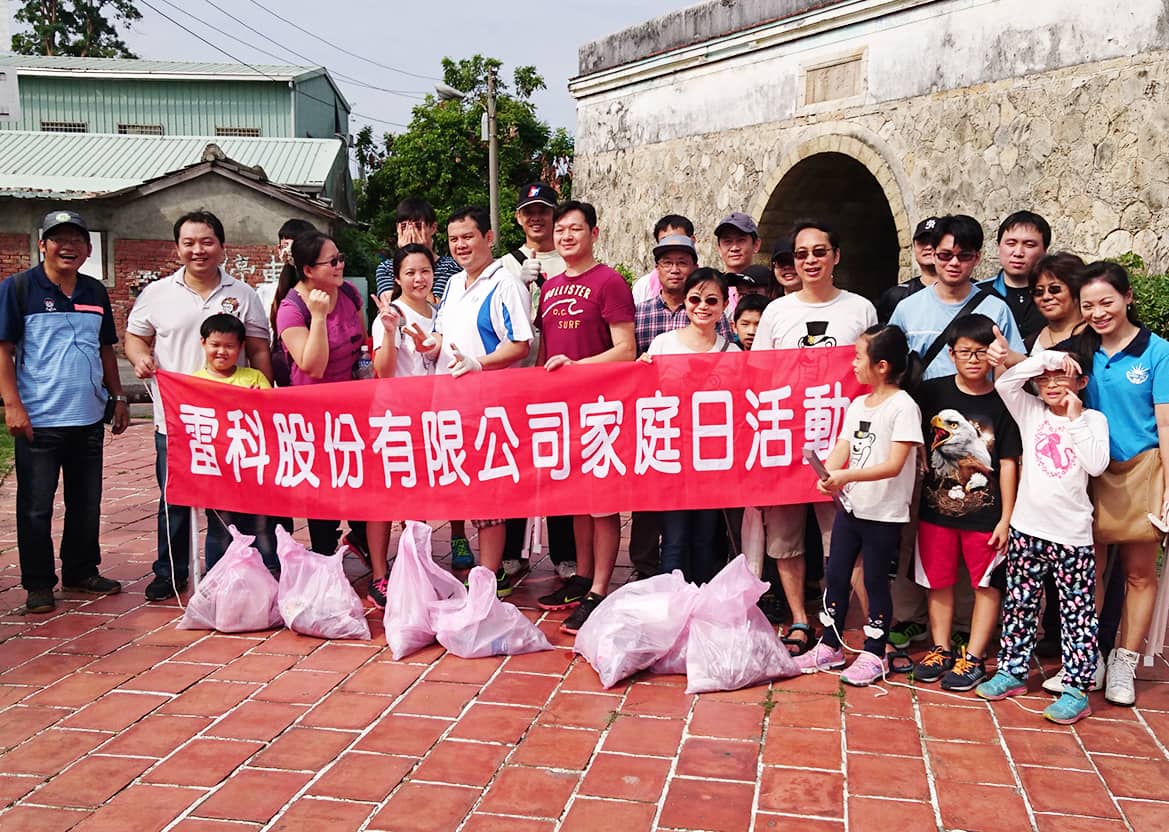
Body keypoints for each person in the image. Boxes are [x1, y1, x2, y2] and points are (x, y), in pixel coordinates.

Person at [125, 210, 272, 602]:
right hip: (175, 420)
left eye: (206, 242)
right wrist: (140, 358)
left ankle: (227, 572)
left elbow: (258, 349)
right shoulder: (157, 294)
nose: (198, 250)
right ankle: (169, 572)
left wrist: (266, 400)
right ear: (177, 248)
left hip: (231, 424)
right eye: (189, 243)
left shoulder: (244, 294)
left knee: (229, 502)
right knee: (175, 497)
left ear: (222, 247)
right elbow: (135, 339)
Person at [751, 220, 878, 655]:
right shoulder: (777, 312)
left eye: (819, 252)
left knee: (842, 538)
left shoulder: (860, 309)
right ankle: (799, 619)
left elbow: (870, 377)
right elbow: (756, 375)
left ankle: (836, 616)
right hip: (784, 439)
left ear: (835, 256)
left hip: (841, 444)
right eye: (801, 254)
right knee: (784, 539)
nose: (810, 261)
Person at [0, 210, 128, 613]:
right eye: (58, 239)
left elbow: (106, 347)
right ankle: (38, 584)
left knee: (86, 502)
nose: (67, 246)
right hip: (39, 420)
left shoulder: (94, 292)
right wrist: (13, 405)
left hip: (88, 417)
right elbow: (3, 350)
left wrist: (118, 396)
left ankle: (81, 570)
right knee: (36, 507)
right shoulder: (19, 288)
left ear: (89, 250)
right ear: (43, 245)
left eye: (77, 239)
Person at [976, 349, 1109, 724]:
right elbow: (1005, 381)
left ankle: (1077, 689)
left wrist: (1075, 418)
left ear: (1082, 382)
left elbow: (1097, 465)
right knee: (1019, 605)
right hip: (1026, 528)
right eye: (1046, 378)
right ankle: (1013, 671)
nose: (1052, 384)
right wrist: (1050, 358)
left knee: (1077, 614)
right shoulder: (1030, 411)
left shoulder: (1093, 420)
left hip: (1071, 535)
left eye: (1062, 376)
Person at [1057, 262, 1169, 707]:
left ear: (1128, 298)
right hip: (1091, 472)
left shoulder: (1157, 351)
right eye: (1088, 306)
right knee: (1089, 569)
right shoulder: (1080, 348)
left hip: (1143, 469)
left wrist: (1168, 489)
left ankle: (1125, 660)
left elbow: (1165, 422)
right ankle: (1091, 658)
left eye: (1107, 302)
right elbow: (1036, 371)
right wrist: (1006, 355)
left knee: (1140, 572)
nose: (1098, 312)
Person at [793, 324, 924, 685]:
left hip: (883, 513)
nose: (852, 364)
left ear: (881, 365)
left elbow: (895, 464)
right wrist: (828, 470)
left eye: (857, 357)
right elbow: (844, 446)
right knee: (835, 575)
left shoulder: (903, 407)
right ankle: (830, 644)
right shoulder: (858, 404)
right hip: (851, 508)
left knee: (875, 579)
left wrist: (845, 476)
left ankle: (875, 652)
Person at [424, 206, 534, 597]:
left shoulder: (506, 284)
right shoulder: (452, 284)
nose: (460, 245)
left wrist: (479, 364)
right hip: (450, 406)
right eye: (453, 239)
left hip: (489, 408)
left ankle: (490, 576)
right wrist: (428, 343)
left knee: (489, 493)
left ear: (488, 238)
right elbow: (442, 336)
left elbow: (521, 344)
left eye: (468, 237)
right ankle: (484, 572)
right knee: (463, 490)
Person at [537, 200, 636, 633]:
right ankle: (579, 577)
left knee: (602, 502)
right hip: (562, 408)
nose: (566, 236)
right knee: (576, 497)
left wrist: (578, 370)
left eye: (575, 229)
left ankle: (598, 588)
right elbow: (545, 354)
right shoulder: (549, 286)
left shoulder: (610, 282)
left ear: (594, 233)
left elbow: (626, 350)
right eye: (560, 230)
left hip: (601, 406)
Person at [911, 314, 1021, 691]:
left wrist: (1007, 516)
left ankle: (973, 656)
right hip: (935, 511)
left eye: (981, 352)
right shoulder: (932, 393)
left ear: (994, 354)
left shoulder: (1005, 399)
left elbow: (1007, 463)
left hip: (985, 516)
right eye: (964, 352)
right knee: (938, 581)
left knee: (986, 585)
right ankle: (940, 648)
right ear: (951, 354)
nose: (973, 360)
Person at [271, 231, 370, 564]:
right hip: (312, 414)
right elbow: (312, 366)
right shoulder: (292, 308)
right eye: (332, 261)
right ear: (308, 270)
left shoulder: (349, 293)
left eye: (340, 258)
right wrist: (318, 315)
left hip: (352, 408)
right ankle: (325, 556)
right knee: (323, 490)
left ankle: (360, 537)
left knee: (358, 480)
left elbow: (362, 344)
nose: (340, 266)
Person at [497, 183, 578, 581]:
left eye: (543, 210)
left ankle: (566, 553)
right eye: (528, 211)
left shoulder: (570, 260)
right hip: (516, 382)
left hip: (560, 380)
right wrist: (522, 287)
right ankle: (512, 551)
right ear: (518, 218)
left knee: (560, 466)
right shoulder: (504, 266)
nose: (536, 218)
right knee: (515, 466)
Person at [639, 268, 739, 583]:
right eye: (695, 299)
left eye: (712, 300)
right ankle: (671, 606)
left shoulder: (733, 352)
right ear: (685, 301)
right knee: (674, 537)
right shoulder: (662, 345)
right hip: (673, 458)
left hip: (712, 461)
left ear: (724, 305)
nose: (703, 306)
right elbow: (644, 397)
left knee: (706, 538)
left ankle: (701, 605)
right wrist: (639, 372)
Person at [362, 243, 439, 607]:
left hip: (428, 418)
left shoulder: (441, 313)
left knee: (418, 499)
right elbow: (384, 371)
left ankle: (416, 567)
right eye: (409, 272)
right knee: (384, 501)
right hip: (392, 418)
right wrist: (391, 332)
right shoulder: (389, 315)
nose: (418, 278)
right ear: (397, 278)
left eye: (424, 270)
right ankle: (379, 575)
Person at [191, 313, 278, 572]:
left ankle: (269, 573)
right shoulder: (193, 383)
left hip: (255, 472)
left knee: (261, 525)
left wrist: (257, 403)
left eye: (229, 346)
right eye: (215, 345)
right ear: (203, 343)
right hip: (218, 474)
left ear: (240, 348)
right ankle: (216, 578)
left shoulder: (254, 378)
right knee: (220, 527)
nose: (221, 352)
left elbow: (272, 417)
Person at [889, 214, 1023, 381]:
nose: (954, 263)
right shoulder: (906, 309)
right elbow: (888, 366)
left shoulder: (997, 310)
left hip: (979, 405)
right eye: (945, 255)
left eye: (964, 256)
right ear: (933, 255)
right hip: (924, 404)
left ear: (977, 258)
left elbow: (1019, 371)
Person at [978, 211, 1050, 340]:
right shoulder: (977, 294)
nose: (1018, 253)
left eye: (1029, 245)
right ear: (998, 247)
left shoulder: (1057, 297)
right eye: (1011, 244)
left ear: (1045, 250)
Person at [374, 197, 461, 302]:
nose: (411, 232)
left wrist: (419, 253)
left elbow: (435, 306)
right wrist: (406, 256)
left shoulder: (450, 266)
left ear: (433, 228)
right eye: (404, 227)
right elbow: (391, 304)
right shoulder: (386, 268)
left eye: (418, 227)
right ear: (397, 229)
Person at [876, 217, 940, 324]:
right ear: (914, 246)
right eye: (922, 242)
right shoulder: (896, 295)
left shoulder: (971, 291)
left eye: (935, 242)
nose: (928, 247)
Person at [1026, 252, 1087, 354]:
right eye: (1039, 292)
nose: (1046, 297)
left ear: (1076, 288)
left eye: (1055, 289)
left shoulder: (1097, 336)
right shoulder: (1029, 343)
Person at [631, 215, 696, 305]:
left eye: (678, 238)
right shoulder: (644, 286)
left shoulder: (707, 284)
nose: (674, 270)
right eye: (664, 240)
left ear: (692, 240)